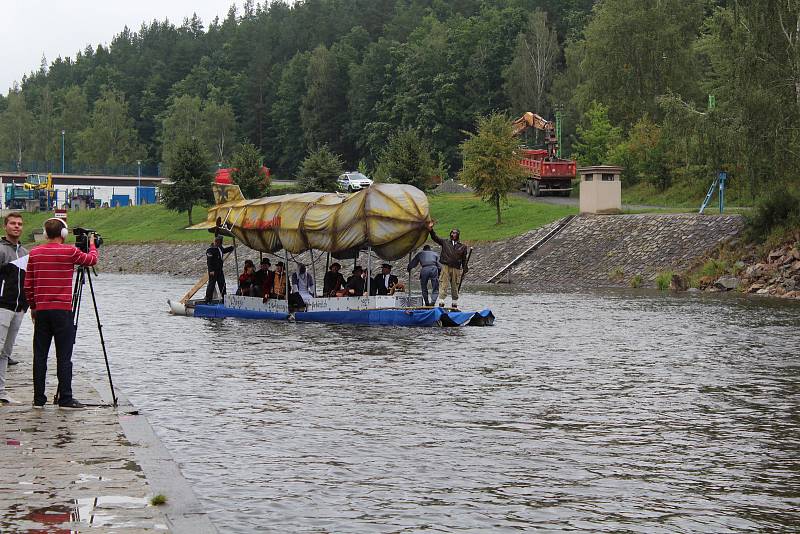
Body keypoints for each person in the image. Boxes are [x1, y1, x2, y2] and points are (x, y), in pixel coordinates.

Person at [24, 218, 98, 409]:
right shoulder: (70, 251)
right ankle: (65, 398)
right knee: (63, 356)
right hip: (62, 311)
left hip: (41, 311)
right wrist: (91, 245)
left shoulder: (35, 253)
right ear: (63, 234)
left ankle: (39, 399)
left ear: (46, 234)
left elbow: (28, 285)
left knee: (39, 356)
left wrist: (33, 307)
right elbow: (91, 260)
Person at [0, 213, 28, 405]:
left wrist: (27, 305)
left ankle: (1, 391)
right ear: (5, 226)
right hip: (2, 305)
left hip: (19, 308)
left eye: (19, 224)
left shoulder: (25, 252)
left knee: (5, 352)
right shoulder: (1, 250)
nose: (16, 226)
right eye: (12, 223)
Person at [428, 222, 469, 309]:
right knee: (444, 283)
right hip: (445, 266)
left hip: (456, 268)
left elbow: (464, 259)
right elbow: (435, 238)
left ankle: (454, 303)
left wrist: (465, 267)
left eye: (455, 233)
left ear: (458, 235)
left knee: (455, 285)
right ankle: (441, 302)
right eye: (452, 232)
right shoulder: (445, 242)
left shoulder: (463, 247)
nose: (453, 234)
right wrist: (431, 230)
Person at [204, 235, 234, 304]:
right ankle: (208, 299)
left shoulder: (220, 248)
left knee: (222, 284)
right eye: (217, 242)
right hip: (213, 271)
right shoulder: (210, 250)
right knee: (211, 285)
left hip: (220, 270)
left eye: (219, 242)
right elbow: (209, 262)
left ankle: (224, 298)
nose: (218, 243)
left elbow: (223, 251)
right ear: (215, 242)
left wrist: (231, 248)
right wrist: (211, 270)